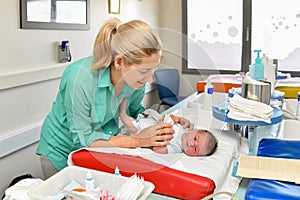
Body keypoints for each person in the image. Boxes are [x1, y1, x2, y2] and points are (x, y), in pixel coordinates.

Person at [36, 18, 194, 179]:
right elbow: (84, 139)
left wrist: (163, 122)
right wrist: (137, 141)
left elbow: (135, 112)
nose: (149, 79)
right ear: (119, 62)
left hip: (99, 149)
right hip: (61, 149)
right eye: (145, 70)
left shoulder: (135, 81)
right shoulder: (79, 78)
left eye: (153, 69)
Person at [120, 99, 217, 156]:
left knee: (133, 126)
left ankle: (122, 113)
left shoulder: (176, 148)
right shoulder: (185, 128)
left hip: (146, 132)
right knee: (147, 115)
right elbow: (172, 118)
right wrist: (174, 119)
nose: (191, 144)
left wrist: (162, 145)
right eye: (195, 138)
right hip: (154, 122)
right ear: (194, 130)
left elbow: (157, 150)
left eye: (195, 149)